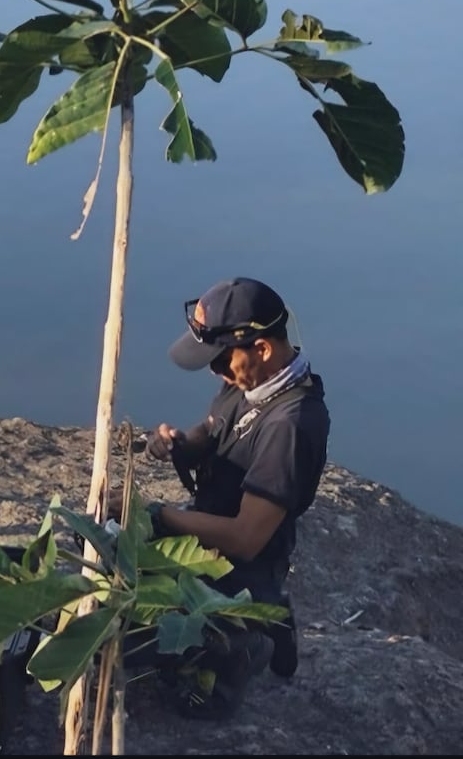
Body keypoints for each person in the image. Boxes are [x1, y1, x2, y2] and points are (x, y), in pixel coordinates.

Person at [131, 276, 331, 718]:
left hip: (240, 564)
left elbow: (244, 538)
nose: (216, 372)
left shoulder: (290, 425)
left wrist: (160, 516)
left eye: (221, 361)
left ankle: (246, 642)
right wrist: (176, 443)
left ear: (262, 348)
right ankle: (266, 613)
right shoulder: (248, 382)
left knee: (145, 637)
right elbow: (212, 433)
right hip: (209, 537)